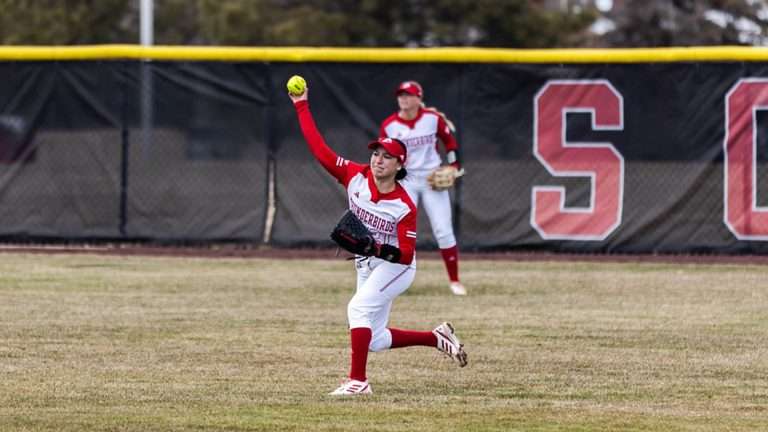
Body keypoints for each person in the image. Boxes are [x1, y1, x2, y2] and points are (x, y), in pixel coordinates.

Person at [288, 81, 468, 396]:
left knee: (357, 309)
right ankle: (436, 338)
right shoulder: (354, 176)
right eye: (376, 153)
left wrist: (374, 247)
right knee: (373, 338)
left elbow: (406, 253)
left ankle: (358, 382)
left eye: (387, 156)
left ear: (400, 165)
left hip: (396, 266)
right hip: (367, 262)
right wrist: (301, 104)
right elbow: (319, 149)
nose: (378, 159)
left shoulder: (404, 204)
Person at [380, 80, 467, 296]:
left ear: (419, 98)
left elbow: (450, 142)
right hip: (406, 181)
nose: (403, 98)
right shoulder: (390, 125)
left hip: (431, 179)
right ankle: (391, 280)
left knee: (443, 230)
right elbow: (384, 154)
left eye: (408, 95)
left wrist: (454, 165)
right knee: (396, 231)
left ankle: (455, 281)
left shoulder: (432, 119)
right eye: (401, 95)